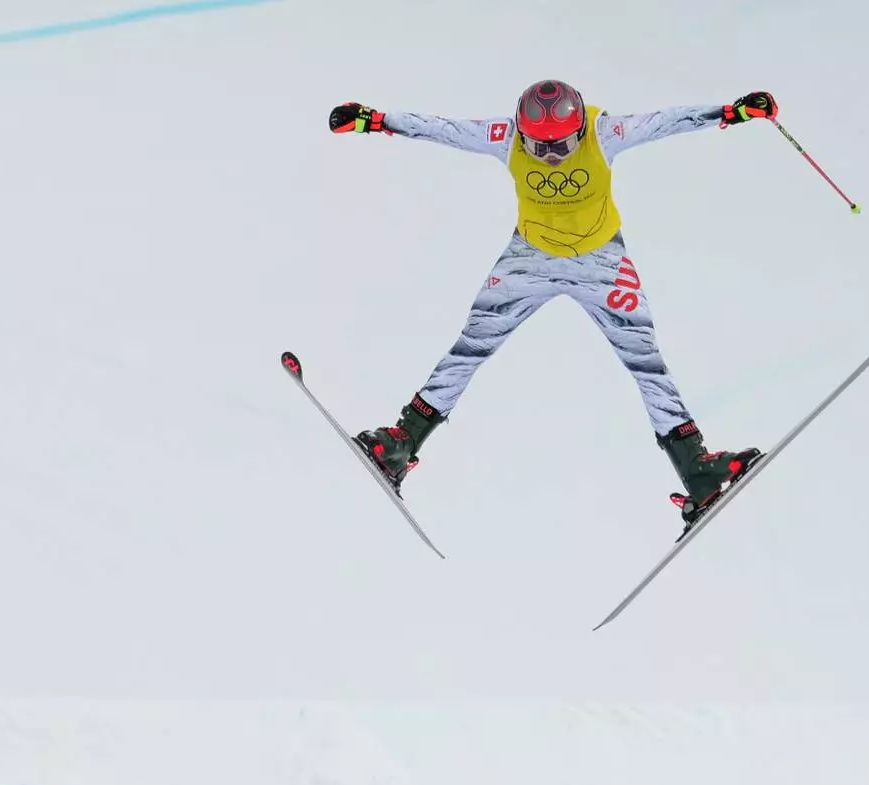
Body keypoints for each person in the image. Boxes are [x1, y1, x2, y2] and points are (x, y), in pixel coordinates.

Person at [328, 79, 778, 525]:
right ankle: (403, 443)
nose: (550, 157)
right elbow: (443, 129)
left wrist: (731, 112)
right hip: (530, 260)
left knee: (646, 363)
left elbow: (667, 122)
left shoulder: (606, 133)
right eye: (539, 148)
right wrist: (375, 120)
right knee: (470, 348)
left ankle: (698, 471)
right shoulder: (506, 138)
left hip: (601, 263)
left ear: (580, 129)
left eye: (560, 146)